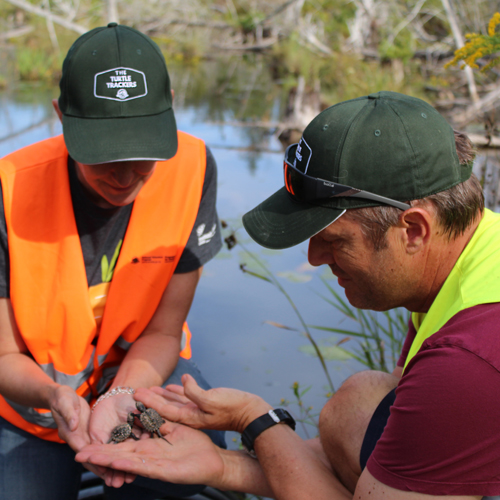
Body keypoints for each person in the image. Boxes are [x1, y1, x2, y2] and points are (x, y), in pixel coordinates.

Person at [76, 91, 500, 500]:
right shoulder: (473, 254)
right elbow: (384, 464)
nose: (314, 258)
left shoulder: (467, 360)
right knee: (360, 404)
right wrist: (223, 465)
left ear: (413, 230)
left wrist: (255, 421)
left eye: (333, 240)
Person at [0, 23, 226, 500]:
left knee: (191, 467)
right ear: (62, 116)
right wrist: (53, 396)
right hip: (33, 403)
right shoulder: (8, 190)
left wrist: (122, 395)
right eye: (102, 155)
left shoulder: (194, 168)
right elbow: (3, 356)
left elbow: (165, 331)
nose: (124, 176)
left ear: (169, 107)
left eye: (143, 150)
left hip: (139, 379)